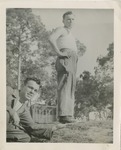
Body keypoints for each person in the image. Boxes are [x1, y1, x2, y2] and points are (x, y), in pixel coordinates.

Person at [7, 77, 65, 142]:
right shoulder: (9, 91)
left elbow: (32, 126)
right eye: (30, 88)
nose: (32, 92)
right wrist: (11, 111)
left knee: (25, 137)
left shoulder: (24, 109)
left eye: (35, 90)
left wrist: (54, 127)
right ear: (23, 86)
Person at [49, 11, 78, 123]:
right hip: (66, 57)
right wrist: (59, 53)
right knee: (65, 83)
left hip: (72, 59)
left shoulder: (69, 33)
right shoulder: (61, 29)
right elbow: (51, 38)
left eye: (72, 19)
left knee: (70, 84)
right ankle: (64, 115)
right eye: (68, 19)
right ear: (63, 21)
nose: (70, 21)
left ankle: (68, 114)